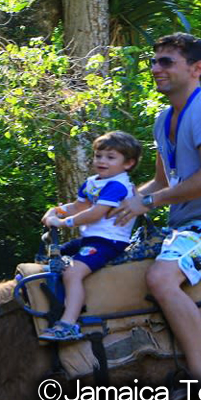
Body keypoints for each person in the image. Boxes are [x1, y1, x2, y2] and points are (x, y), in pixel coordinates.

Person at [111, 33, 201, 390]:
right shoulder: (164, 118)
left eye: (166, 62)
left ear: (197, 69)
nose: (155, 68)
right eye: (154, 61)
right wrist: (112, 205)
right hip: (186, 226)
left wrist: (147, 203)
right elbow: (162, 180)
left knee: (160, 279)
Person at [39, 131, 142, 341]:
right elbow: (79, 206)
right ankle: (50, 307)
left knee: (72, 273)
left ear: (128, 163)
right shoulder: (93, 182)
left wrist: (64, 222)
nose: (102, 161)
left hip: (109, 242)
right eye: (98, 156)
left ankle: (69, 324)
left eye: (110, 157)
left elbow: (96, 212)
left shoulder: (117, 185)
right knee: (50, 259)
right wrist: (55, 211)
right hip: (91, 239)